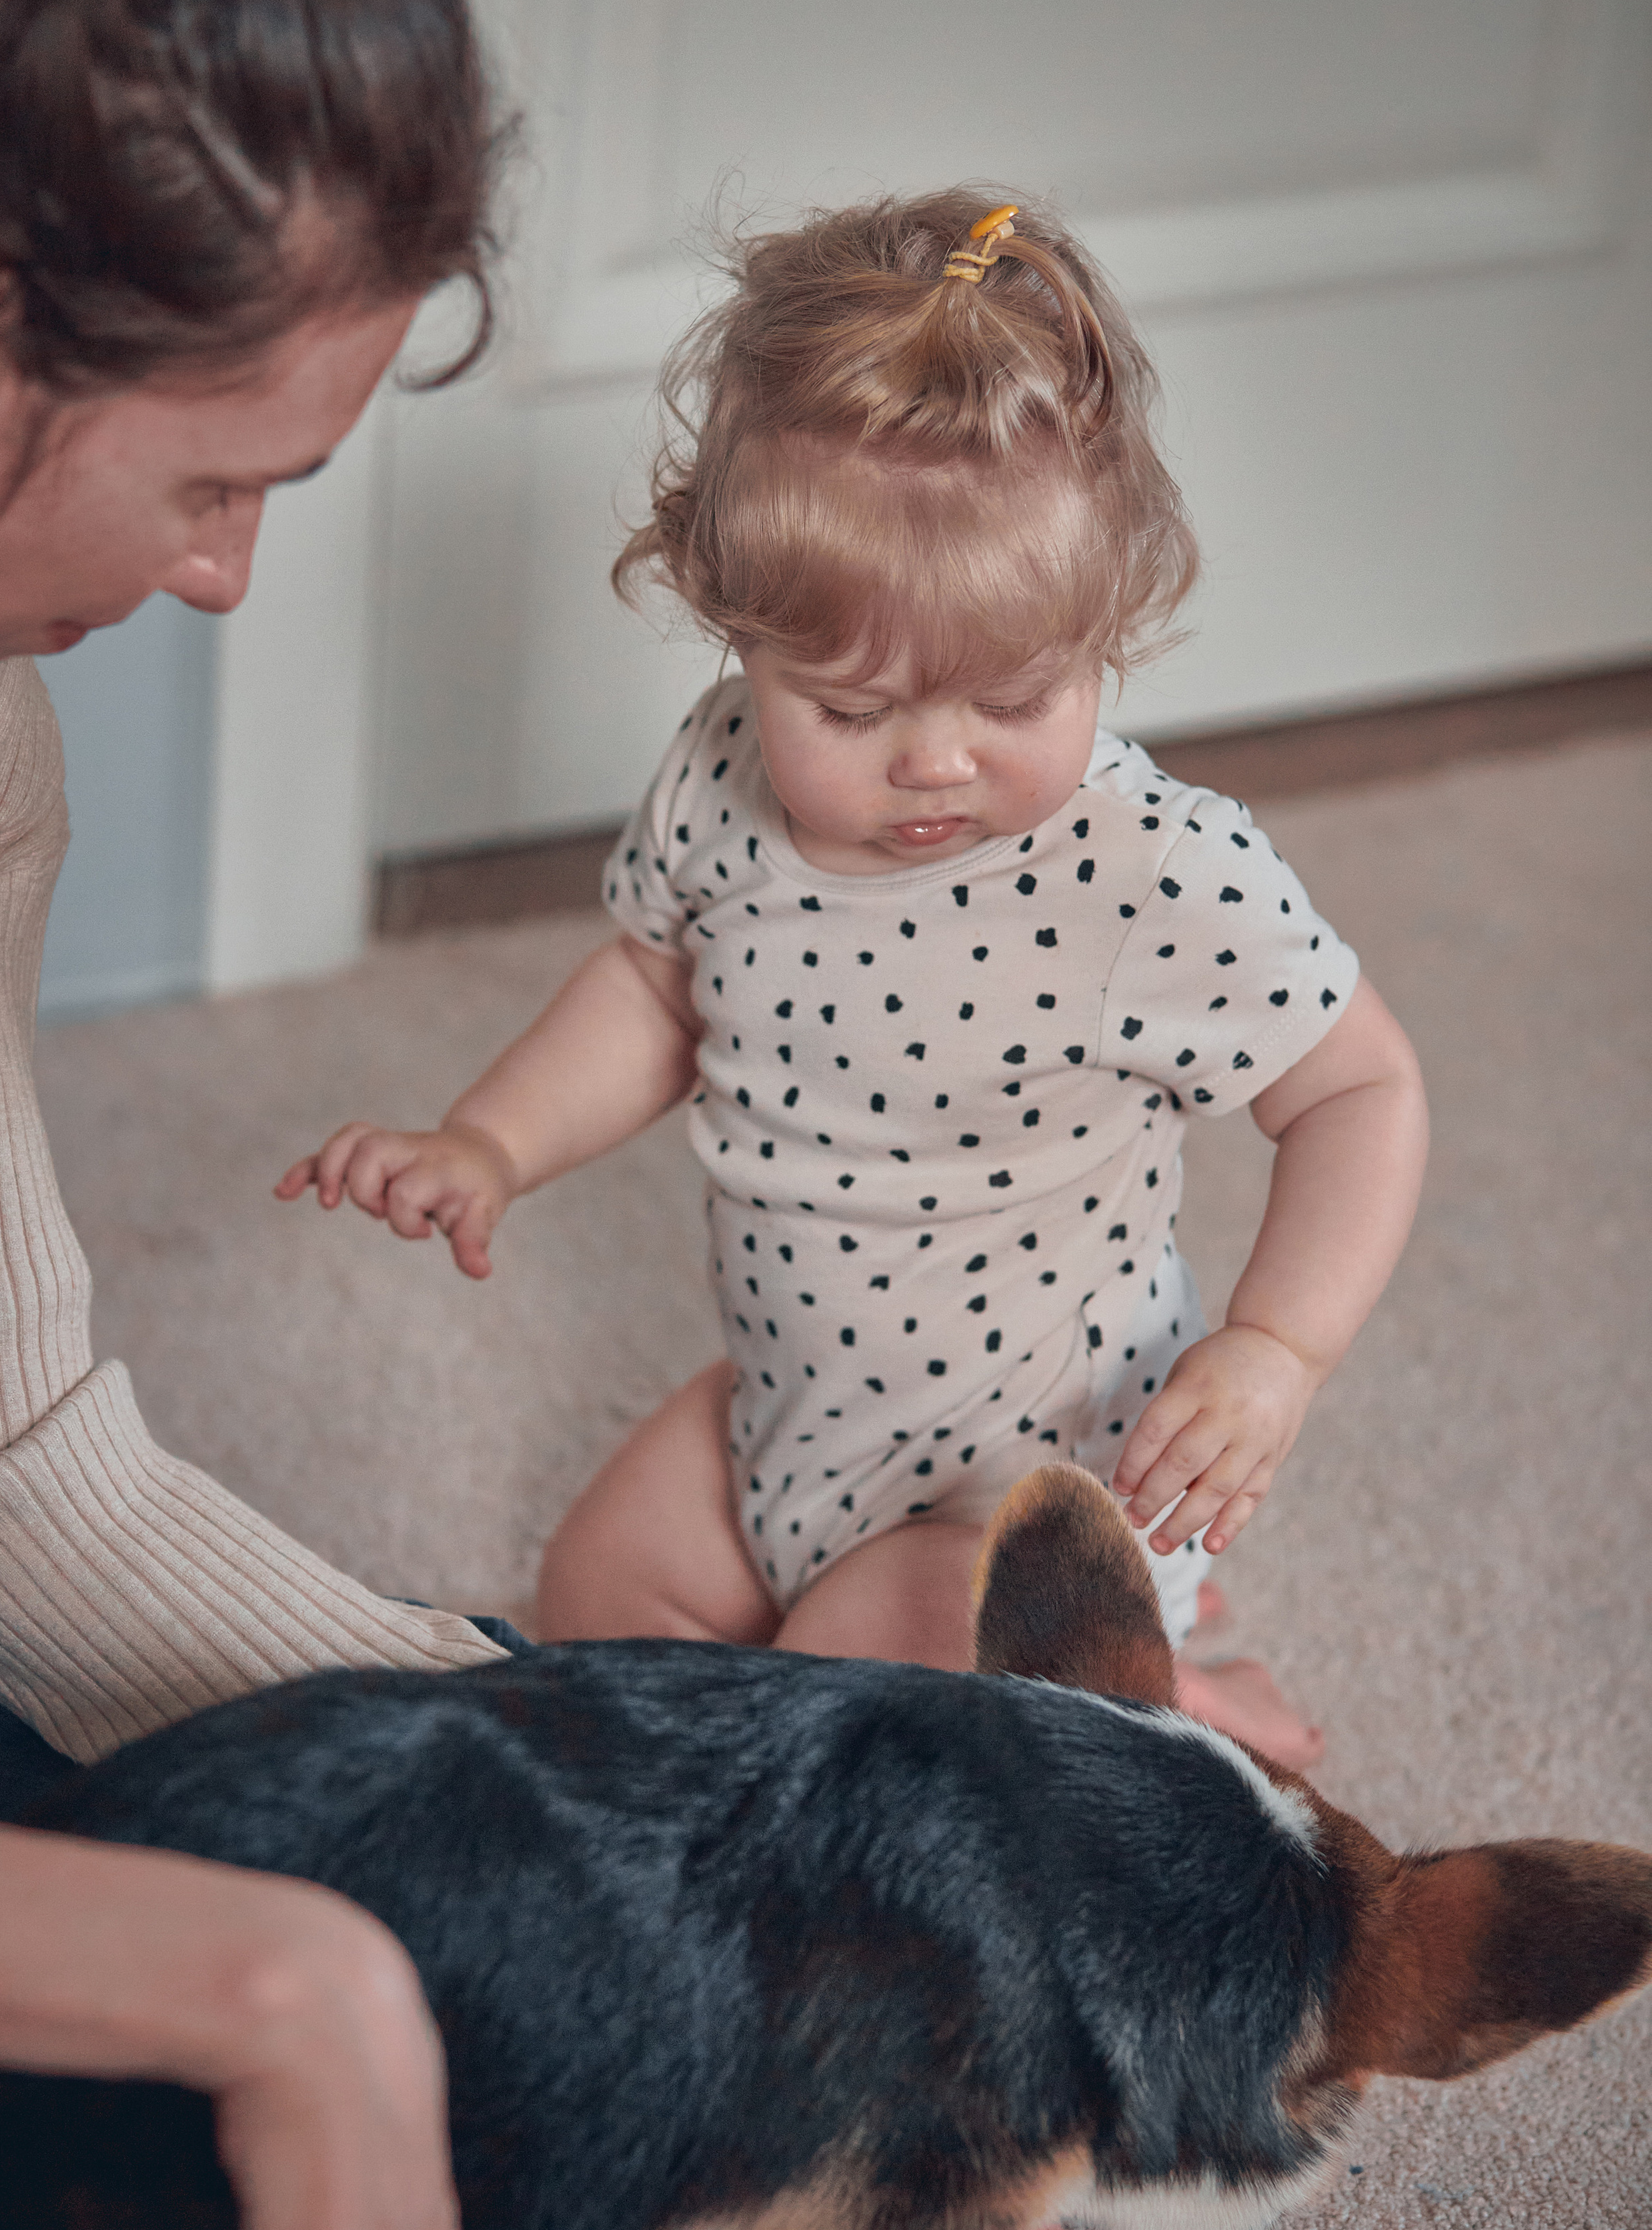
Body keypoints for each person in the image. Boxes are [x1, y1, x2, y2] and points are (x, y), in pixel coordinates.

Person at [281, 189, 1430, 1774]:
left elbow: (1360, 1089)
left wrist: (1275, 1347)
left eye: (1013, 693)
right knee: (589, 1602)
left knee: (842, 1703)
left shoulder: (1150, 872)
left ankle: (1153, 1676)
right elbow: (651, 990)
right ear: (736, 633)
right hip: (794, 1414)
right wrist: (485, 1142)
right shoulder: (725, 770)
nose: (935, 758)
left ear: (1108, 616)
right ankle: (1120, 1692)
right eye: (850, 704)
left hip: (1034, 1480)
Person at [0, 0, 522, 2230]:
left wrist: (638, 1798)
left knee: (516, 1890)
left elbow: (6, 1477)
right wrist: (266, 1977)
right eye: (218, 481)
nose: (229, 582)